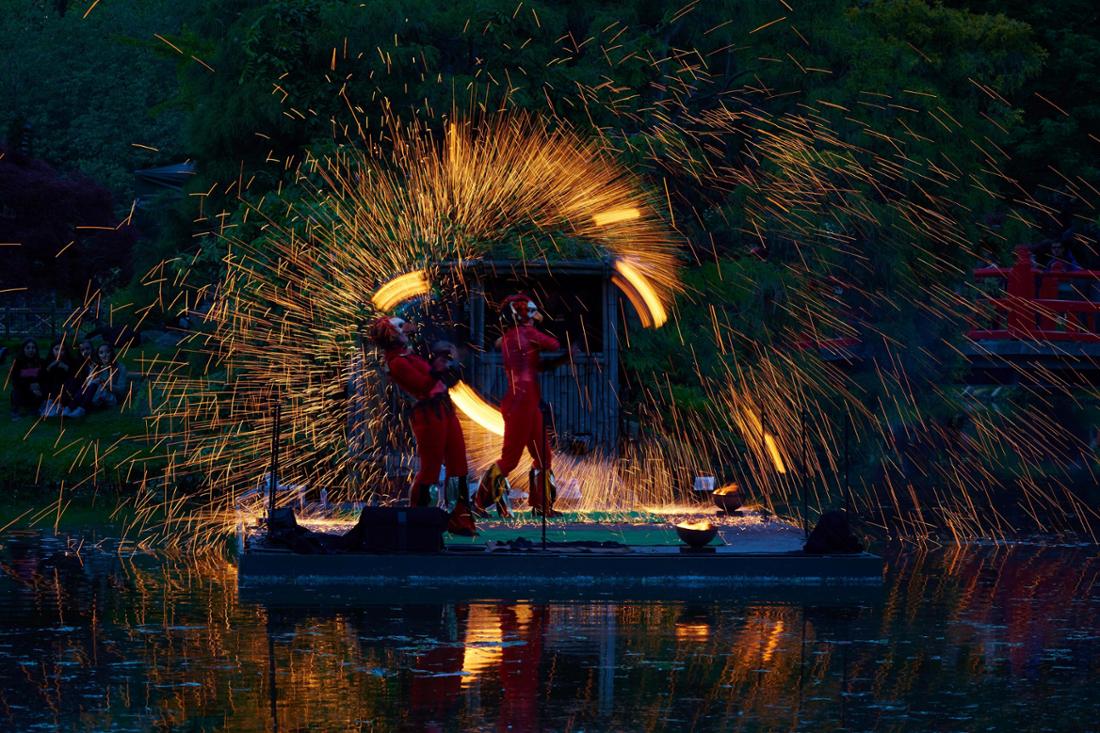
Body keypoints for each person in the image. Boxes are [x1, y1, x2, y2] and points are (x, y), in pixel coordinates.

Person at [368, 315, 476, 536]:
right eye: (400, 326)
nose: (407, 328)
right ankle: (420, 519)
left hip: (443, 409)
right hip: (428, 415)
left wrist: (442, 365)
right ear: (391, 334)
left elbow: (434, 379)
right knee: (431, 468)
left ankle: (460, 520)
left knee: (458, 465)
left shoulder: (407, 356)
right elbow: (423, 385)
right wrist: (437, 368)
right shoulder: (396, 363)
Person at [478, 294, 572, 518]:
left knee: (543, 456)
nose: (535, 316)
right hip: (521, 404)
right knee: (510, 460)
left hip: (527, 404)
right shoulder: (525, 334)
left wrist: (560, 359)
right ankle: (478, 503)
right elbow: (553, 344)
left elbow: (534, 365)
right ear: (521, 314)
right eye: (530, 312)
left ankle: (542, 505)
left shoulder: (512, 337)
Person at [9, 339, 45, 417]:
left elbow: (44, 377)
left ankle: (35, 408)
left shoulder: (41, 362)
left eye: (33, 348)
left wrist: (39, 386)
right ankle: (16, 410)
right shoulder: (17, 363)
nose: (31, 350)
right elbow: (16, 380)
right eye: (28, 348)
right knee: (16, 392)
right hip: (22, 390)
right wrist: (29, 386)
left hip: (36, 390)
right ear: (23, 349)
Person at [40, 341, 75, 417]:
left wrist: (65, 367)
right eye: (56, 349)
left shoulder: (70, 362)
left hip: (65, 390)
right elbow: (43, 376)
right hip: (51, 390)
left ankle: (61, 405)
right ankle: (50, 403)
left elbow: (74, 376)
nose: (59, 352)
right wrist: (50, 367)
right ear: (52, 350)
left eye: (62, 350)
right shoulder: (47, 362)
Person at [88, 342, 129, 409]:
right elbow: (88, 386)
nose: (104, 355)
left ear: (112, 353)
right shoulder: (98, 368)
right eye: (101, 353)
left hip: (113, 397)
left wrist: (107, 385)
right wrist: (92, 372)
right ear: (98, 355)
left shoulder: (120, 368)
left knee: (101, 388)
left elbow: (121, 390)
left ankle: (86, 406)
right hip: (97, 396)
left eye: (107, 352)